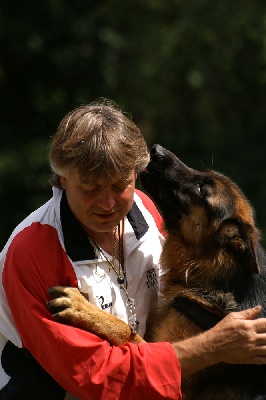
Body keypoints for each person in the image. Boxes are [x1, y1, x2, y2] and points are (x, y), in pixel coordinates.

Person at [1, 99, 266, 400]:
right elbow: (99, 378)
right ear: (62, 178)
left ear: (137, 173)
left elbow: (147, 350)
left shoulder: (149, 212)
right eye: (90, 187)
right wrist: (211, 347)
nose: (108, 203)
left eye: (119, 185)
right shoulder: (32, 251)